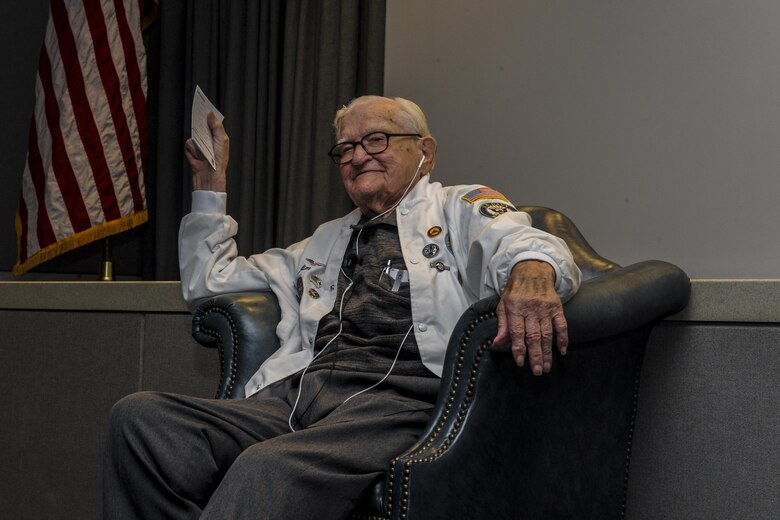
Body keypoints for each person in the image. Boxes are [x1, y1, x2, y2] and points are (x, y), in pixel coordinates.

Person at [104, 96, 581, 519]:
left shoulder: (457, 206)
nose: (357, 155)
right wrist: (211, 182)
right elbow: (209, 282)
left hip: (399, 404)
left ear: (426, 152)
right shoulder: (326, 239)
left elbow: (519, 240)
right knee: (142, 420)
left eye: (376, 140)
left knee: (267, 466)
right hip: (302, 399)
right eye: (346, 148)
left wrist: (532, 271)